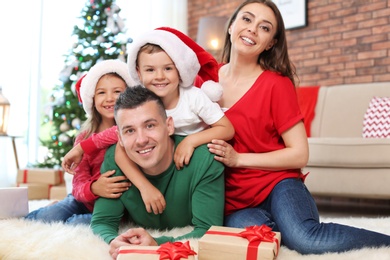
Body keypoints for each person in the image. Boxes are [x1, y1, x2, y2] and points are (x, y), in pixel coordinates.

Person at [205, 0, 390, 255]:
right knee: (255, 237)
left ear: (270, 42)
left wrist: (238, 159)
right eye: (246, 19)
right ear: (231, 25)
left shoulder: (276, 85)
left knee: (305, 239)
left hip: (279, 184)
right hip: (236, 201)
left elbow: (299, 154)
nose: (252, 30)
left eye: (264, 27)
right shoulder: (206, 80)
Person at [62, 27, 234, 215]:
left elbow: (226, 128)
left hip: (192, 166)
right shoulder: (146, 102)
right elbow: (115, 140)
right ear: (139, 73)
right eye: (151, 70)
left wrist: (191, 142)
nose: (160, 76)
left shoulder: (194, 97)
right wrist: (144, 186)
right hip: (162, 167)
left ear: (180, 69)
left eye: (167, 68)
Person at [90, 85, 225, 259]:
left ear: (169, 126)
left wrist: (156, 243)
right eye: (130, 131)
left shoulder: (204, 159)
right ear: (120, 139)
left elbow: (207, 231)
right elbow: (102, 221)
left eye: (150, 125)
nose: (141, 140)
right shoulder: (114, 161)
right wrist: (114, 240)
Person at [25, 60, 133, 225]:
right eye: (101, 93)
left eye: (117, 91)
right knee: (50, 216)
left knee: (75, 224)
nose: (110, 98)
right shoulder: (84, 137)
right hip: (84, 200)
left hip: (115, 207)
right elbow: (78, 184)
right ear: (92, 99)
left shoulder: (131, 129)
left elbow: (118, 133)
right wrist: (94, 188)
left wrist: (83, 148)